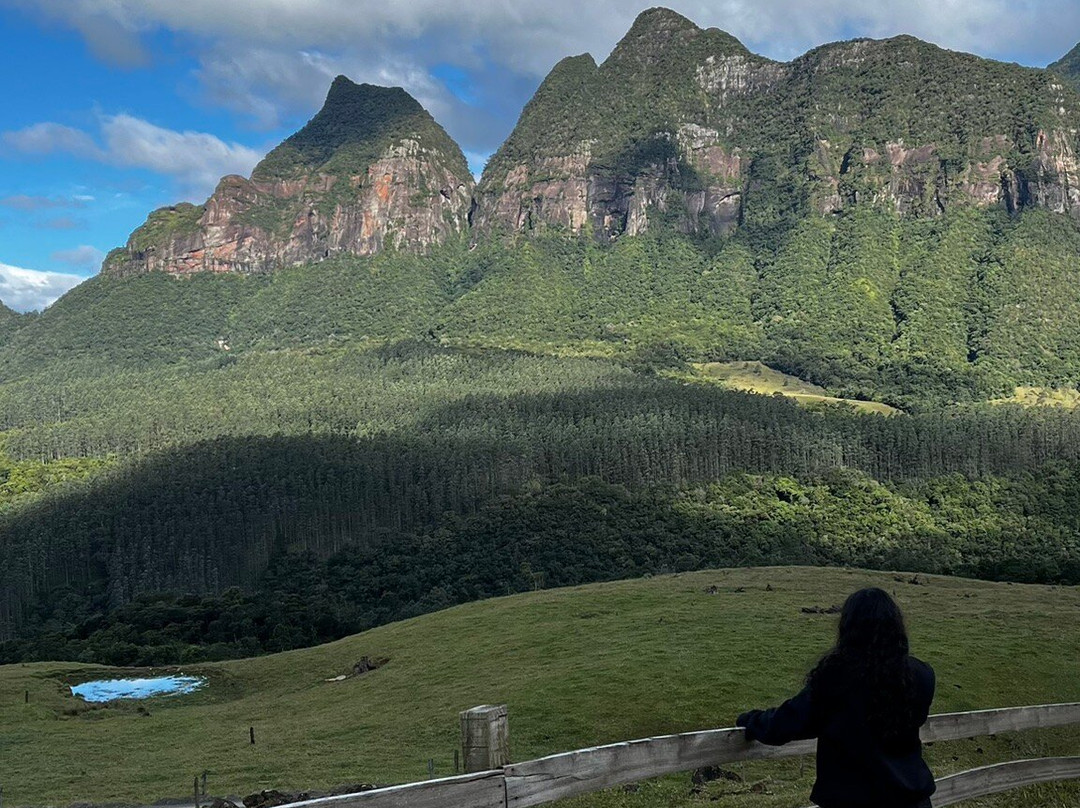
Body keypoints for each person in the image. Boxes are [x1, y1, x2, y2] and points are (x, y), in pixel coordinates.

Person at [736, 587, 936, 808]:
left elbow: (789, 722)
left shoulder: (837, 677)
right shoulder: (920, 675)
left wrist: (750, 720)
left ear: (848, 628)